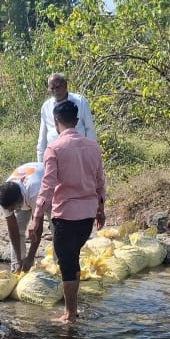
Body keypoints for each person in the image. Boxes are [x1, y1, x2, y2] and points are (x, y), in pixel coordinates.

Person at [25, 100, 106, 324]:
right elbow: (100, 181)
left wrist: (36, 216)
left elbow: (48, 185)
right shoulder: (93, 147)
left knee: (68, 262)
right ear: (77, 121)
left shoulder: (55, 148)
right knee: (73, 258)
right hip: (87, 214)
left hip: (66, 215)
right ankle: (73, 309)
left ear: (56, 122)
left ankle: (70, 314)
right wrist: (101, 209)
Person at [0, 161, 46, 271]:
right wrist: (18, 259)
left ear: (19, 201)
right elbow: (13, 230)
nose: (11, 211)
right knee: (18, 227)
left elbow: (38, 228)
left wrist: (31, 257)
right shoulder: (5, 196)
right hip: (25, 194)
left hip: (48, 189)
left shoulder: (35, 191)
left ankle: (59, 265)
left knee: (56, 226)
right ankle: (17, 266)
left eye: (13, 208)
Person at [35, 73, 95, 163]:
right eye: (52, 88)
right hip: (55, 155)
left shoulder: (80, 102)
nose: (55, 91)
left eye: (58, 87)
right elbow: (42, 136)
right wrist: (40, 163)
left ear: (66, 86)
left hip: (78, 155)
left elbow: (90, 129)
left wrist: (91, 155)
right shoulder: (46, 107)